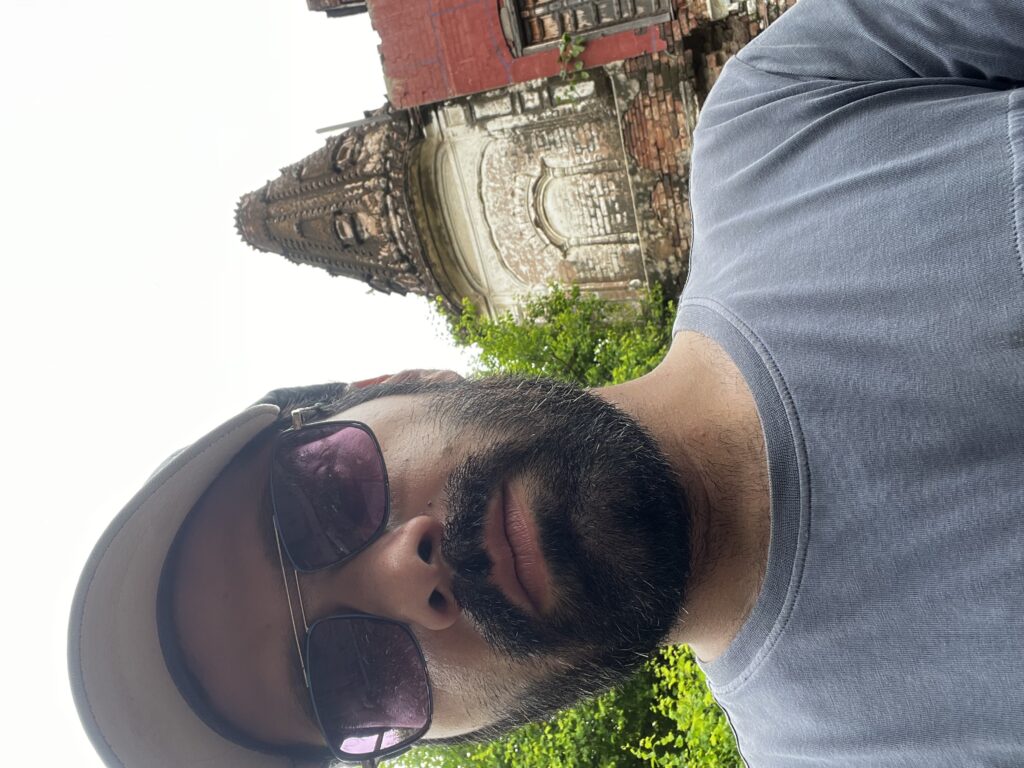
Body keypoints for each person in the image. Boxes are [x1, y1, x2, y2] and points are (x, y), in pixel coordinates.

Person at [69, 0, 1023, 765]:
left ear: (399, 380)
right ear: (455, 739)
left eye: (322, 493)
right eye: (355, 681)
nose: (406, 570)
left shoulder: (784, 119)